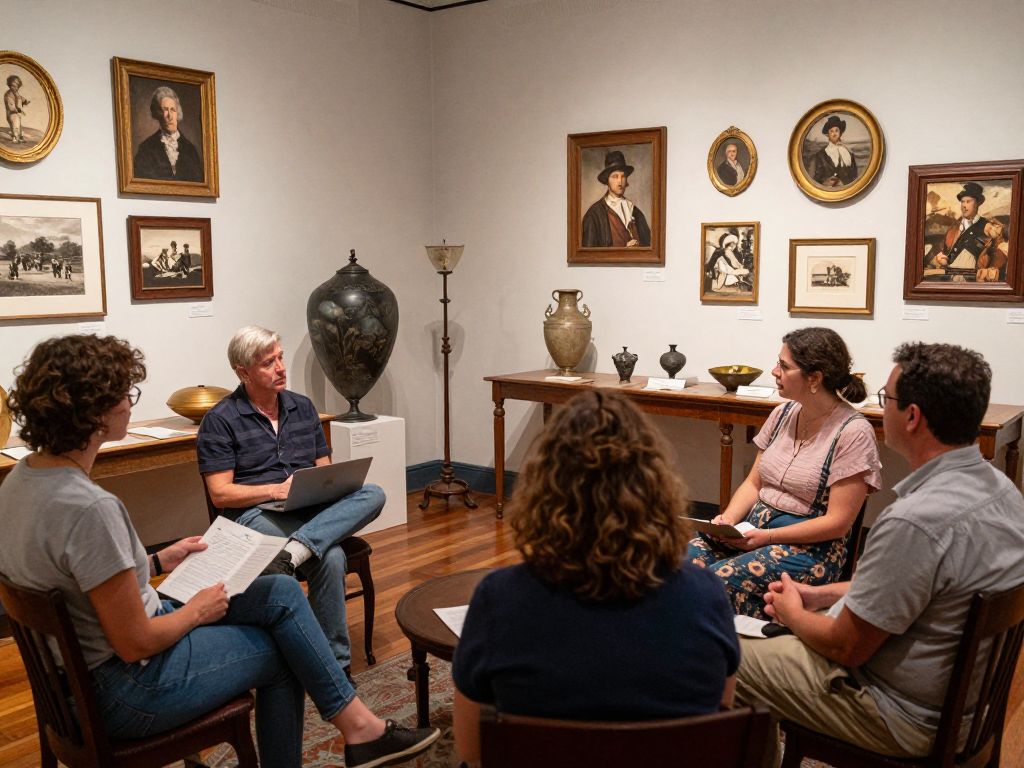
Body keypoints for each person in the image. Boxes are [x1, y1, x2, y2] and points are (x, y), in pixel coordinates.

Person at [0, 334, 439, 768]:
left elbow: (83, 578)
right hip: (125, 689)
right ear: (94, 413)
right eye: (124, 395)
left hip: (80, 676)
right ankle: (361, 731)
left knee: (283, 593)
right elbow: (135, 643)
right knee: (283, 654)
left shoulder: (20, 480)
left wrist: (156, 560)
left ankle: (361, 731)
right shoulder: (90, 508)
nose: (129, 405)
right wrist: (196, 612)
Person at [736, 342, 1024, 761]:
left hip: (900, 714)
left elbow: (846, 647)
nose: (880, 407)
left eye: (885, 398)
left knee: (722, 650)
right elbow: (913, 586)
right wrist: (820, 595)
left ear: (912, 417)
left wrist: (792, 613)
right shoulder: (1004, 492)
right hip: (964, 709)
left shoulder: (915, 520)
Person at [452, 390, 740, 767]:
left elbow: (472, 750)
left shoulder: (498, 598)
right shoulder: (706, 595)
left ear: (544, 490)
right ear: (656, 489)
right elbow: (720, 716)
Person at [197, 325, 384, 678]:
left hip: (308, 509)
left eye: (280, 357)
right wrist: (275, 490)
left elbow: (324, 468)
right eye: (269, 363)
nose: (281, 367)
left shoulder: (302, 407)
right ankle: (336, 666)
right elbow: (220, 494)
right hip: (254, 514)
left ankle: (294, 553)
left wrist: (328, 487)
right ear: (243, 372)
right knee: (331, 556)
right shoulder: (220, 420)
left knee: (374, 493)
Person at [688, 327, 881, 618]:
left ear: (814, 378)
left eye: (784, 366)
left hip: (808, 549)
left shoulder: (853, 433)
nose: (774, 371)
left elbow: (838, 523)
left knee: (716, 583)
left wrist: (767, 536)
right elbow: (754, 483)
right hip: (752, 533)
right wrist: (728, 520)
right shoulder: (782, 414)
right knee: (681, 565)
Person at [581, 150, 652, 247]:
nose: (620, 181)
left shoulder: (636, 213)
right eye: (615, 176)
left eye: (623, 176)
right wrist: (623, 251)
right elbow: (588, 254)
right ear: (607, 180)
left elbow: (649, 247)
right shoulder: (594, 215)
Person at [133, 86, 203, 181]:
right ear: (157, 114)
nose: (170, 116)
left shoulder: (191, 150)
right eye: (165, 110)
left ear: (177, 113)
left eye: (173, 110)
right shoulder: (146, 149)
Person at [925, 182, 991, 273]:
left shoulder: (986, 227)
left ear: (977, 203)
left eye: (968, 201)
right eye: (962, 202)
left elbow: (984, 257)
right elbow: (943, 251)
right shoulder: (954, 228)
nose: (964, 205)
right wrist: (940, 259)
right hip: (948, 275)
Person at [811, 114, 858, 188]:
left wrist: (845, 184)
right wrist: (826, 182)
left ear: (840, 133)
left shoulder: (849, 154)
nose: (834, 134)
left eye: (836, 130)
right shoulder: (821, 155)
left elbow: (854, 177)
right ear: (828, 134)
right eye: (831, 131)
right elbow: (817, 179)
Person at [4, 75, 30, 144]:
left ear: (19, 86)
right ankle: (15, 138)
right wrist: (19, 110)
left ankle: (20, 137)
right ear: (9, 85)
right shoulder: (8, 95)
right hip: (11, 114)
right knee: (15, 126)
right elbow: (10, 106)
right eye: (12, 86)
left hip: (17, 114)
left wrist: (24, 101)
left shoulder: (16, 93)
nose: (14, 88)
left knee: (19, 126)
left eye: (16, 86)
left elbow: (19, 98)